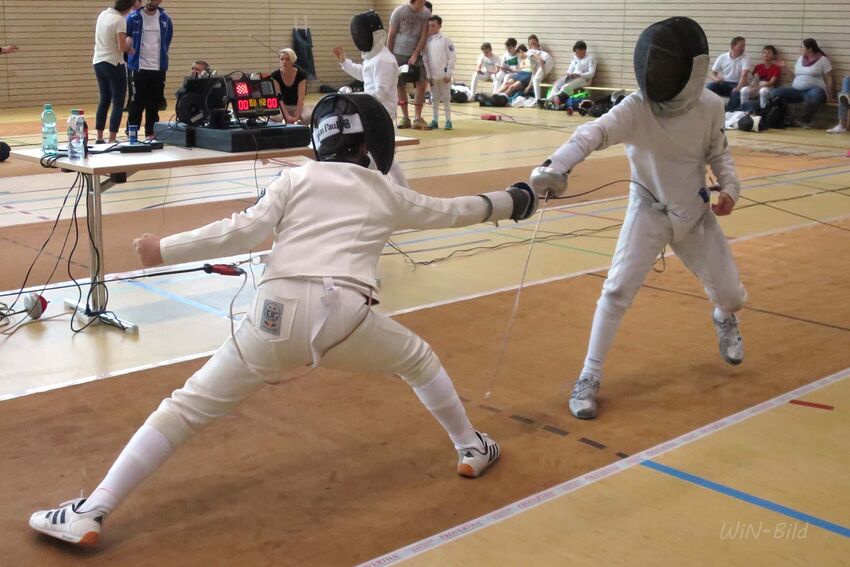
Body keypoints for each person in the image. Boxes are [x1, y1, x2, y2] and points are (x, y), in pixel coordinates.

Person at [28, 92, 538, 547]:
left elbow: (244, 229)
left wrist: (163, 247)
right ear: (371, 145)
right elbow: (456, 211)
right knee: (418, 360)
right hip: (344, 319)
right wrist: (516, 201)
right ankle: (471, 446)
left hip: (272, 316)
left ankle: (92, 509)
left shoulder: (296, 177)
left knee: (185, 408)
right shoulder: (386, 191)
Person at [529, 17, 746, 420]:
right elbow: (591, 134)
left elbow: (719, 153)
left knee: (733, 297)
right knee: (616, 291)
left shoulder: (711, 106)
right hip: (647, 212)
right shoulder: (636, 107)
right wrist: (555, 166)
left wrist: (730, 189)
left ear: (690, 69)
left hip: (694, 214)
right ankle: (589, 376)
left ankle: (723, 316)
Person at [334, 10, 410, 187]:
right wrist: (345, 62)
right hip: (371, 113)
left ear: (374, 34)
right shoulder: (374, 58)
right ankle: (398, 192)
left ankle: (402, 193)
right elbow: (364, 74)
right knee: (382, 158)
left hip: (382, 115)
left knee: (383, 158)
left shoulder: (384, 60)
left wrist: (354, 98)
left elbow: (381, 93)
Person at [126, 0, 174, 140]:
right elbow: (127, 37)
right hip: (138, 67)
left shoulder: (165, 19)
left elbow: (167, 40)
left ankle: (151, 133)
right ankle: (132, 132)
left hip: (157, 67)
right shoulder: (133, 18)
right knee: (136, 102)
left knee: (154, 102)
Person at [93, 0, 137, 144]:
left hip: (98, 61)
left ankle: (99, 137)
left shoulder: (103, 15)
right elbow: (121, 47)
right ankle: (112, 138)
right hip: (113, 63)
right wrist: (129, 45)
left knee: (104, 100)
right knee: (118, 102)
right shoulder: (119, 20)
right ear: (128, 7)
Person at [771, 38, 835, 128]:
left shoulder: (823, 59)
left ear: (810, 49)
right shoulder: (800, 58)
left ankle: (803, 121)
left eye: (803, 47)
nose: (801, 49)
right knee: (774, 93)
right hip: (796, 91)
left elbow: (829, 79)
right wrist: (784, 67)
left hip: (814, 90)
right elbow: (794, 78)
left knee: (817, 95)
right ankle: (790, 118)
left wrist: (831, 96)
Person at [388, 0, 432, 130]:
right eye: (420, 1)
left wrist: (415, 54)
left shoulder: (426, 13)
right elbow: (391, 35)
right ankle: (405, 117)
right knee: (400, 85)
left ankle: (417, 118)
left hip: (417, 54)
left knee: (422, 84)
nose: (422, 4)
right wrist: (389, 56)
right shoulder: (399, 12)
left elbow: (424, 36)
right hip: (399, 53)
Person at [423, 15, 456, 130]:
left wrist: (449, 74)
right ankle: (435, 120)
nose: (431, 28)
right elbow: (425, 59)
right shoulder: (426, 41)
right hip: (433, 76)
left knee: (446, 97)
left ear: (439, 26)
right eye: (429, 26)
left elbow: (452, 57)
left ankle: (448, 120)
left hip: (444, 76)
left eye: (433, 25)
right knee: (434, 98)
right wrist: (428, 76)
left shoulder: (445, 40)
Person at [545, 41, 595, 107]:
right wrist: (568, 74)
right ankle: (547, 100)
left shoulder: (590, 59)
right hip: (572, 77)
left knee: (565, 87)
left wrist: (579, 75)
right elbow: (570, 69)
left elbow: (591, 73)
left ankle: (554, 101)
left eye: (577, 52)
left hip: (583, 79)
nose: (576, 54)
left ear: (583, 50)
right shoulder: (575, 58)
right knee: (557, 84)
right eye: (575, 52)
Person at [706, 36, 751, 111]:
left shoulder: (745, 58)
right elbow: (712, 72)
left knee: (737, 92)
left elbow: (744, 75)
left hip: (738, 84)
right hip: (725, 83)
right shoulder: (723, 57)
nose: (743, 48)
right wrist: (716, 79)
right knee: (710, 86)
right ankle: (709, 109)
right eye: (741, 46)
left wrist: (738, 88)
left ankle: (728, 112)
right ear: (733, 46)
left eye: (744, 46)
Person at [270, 48, 310, 124]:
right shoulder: (275, 75)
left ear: (292, 61)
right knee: (275, 117)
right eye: (282, 59)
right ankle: (281, 130)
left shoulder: (301, 75)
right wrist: (286, 115)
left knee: (309, 116)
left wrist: (296, 117)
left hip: (296, 106)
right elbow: (279, 98)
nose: (284, 62)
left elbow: (301, 98)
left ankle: (297, 128)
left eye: (287, 59)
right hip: (281, 106)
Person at [738, 45, 782, 113]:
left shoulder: (776, 68)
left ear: (773, 56)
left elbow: (771, 83)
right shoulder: (758, 67)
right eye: (764, 52)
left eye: (769, 53)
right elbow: (754, 80)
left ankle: (763, 111)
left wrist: (757, 87)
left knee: (763, 91)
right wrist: (751, 86)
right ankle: (744, 110)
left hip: (768, 89)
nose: (766, 54)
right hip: (756, 87)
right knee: (744, 90)